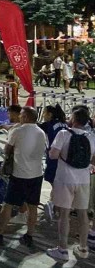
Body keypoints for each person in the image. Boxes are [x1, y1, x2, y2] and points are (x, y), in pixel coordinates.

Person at [0, 107, 47, 248]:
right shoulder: (41, 132)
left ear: (26, 117)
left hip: (20, 175)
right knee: (33, 206)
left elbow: (7, 150)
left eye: (21, 115)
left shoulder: (18, 131)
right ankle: (29, 235)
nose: (19, 117)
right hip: (37, 174)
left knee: (7, 204)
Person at [46, 106, 95, 261]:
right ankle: (83, 248)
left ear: (73, 119)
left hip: (64, 179)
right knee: (83, 214)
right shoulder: (91, 137)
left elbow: (53, 155)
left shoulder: (63, 134)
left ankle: (62, 249)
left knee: (64, 214)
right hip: (84, 180)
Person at [38, 104, 67, 220]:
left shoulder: (49, 125)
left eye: (44, 113)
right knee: (59, 183)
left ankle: (53, 204)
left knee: (55, 183)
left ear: (50, 115)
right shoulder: (65, 124)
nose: (43, 115)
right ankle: (55, 206)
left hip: (54, 157)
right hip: (65, 159)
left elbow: (32, 126)